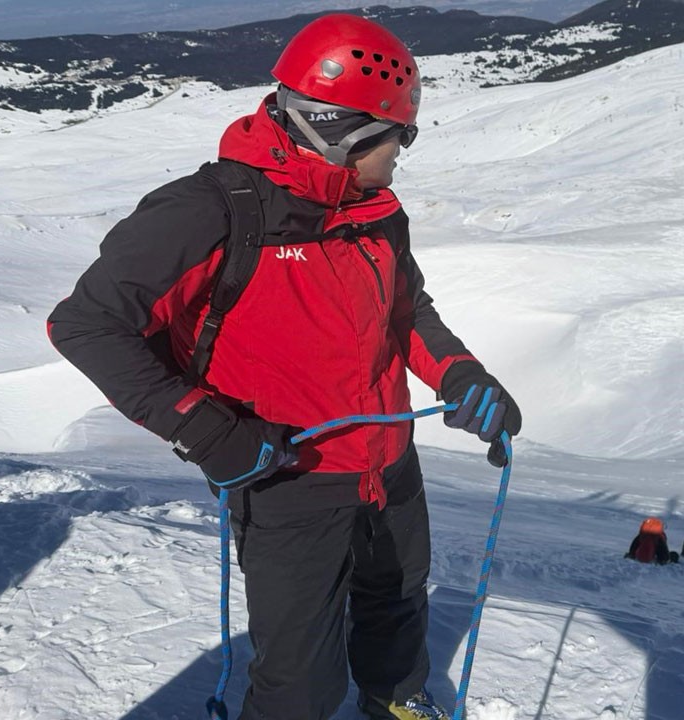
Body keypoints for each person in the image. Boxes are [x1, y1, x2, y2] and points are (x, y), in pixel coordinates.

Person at [46, 15, 524, 720]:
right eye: (399, 135)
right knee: (301, 681)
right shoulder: (208, 211)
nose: (403, 152)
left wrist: (461, 375)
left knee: (396, 602)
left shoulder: (376, 210)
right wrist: (206, 431)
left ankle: (395, 697)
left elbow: (407, 312)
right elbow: (86, 324)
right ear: (341, 130)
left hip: (389, 462)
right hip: (284, 477)